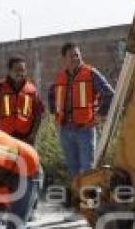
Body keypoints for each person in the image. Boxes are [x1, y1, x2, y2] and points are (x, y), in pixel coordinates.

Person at [48, 43, 114, 177]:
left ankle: (88, 197)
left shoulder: (91, 73)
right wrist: (55, 114)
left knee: (87, 171)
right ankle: (77, 197)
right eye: (71, 56)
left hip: (85, 130)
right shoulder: (60, 76)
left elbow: (110, 94)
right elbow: (51, 94)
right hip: (65, 131)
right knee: (73, 172)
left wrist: (99, 116)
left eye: (77, 55)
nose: (75, 58)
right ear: (64, 59)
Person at [0, 56, 45, 145]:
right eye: (17, 70)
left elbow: (38, 115)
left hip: (26, 139)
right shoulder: (0, 89)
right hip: (4, 138)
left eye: (23, 70)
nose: (20, 73)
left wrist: (33, 135)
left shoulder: (32, 90)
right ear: (9, 71)